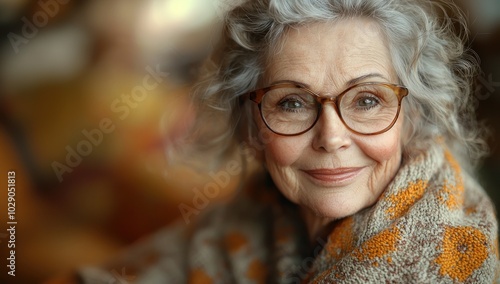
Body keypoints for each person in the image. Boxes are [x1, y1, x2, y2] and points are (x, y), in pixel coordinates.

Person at [74, 0, 499, 282]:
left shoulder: (446, 256)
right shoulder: (254, 214)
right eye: (293, 103)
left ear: (413, 118)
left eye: (367, 100)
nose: (331, 137)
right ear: (251, 127)